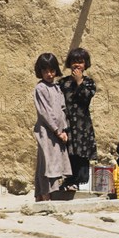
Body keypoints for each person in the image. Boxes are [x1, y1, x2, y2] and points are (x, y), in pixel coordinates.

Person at [32, 53, 72, 202]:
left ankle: (43, 196)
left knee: (53, 163)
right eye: (45, 71)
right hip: (47, 132)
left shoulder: (56, 87)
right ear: (40, 72)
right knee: (46, 164)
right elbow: (45, 113)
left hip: (58, 132)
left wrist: (64, 129)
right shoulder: (40, 88)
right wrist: (57, 130)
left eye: (52, 70)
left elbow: (62, 109)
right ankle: (44, 195)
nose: (49, 74)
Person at [58, 47, 97, 191]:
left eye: (80, 62)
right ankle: (68, 181)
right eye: (74, 61)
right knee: (68, 152)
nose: (77, 65)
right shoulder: (63, 83)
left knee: (81, 153)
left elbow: (86, 97)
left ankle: (79, 182)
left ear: (85, 64)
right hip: (67, 124)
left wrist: (79, 81)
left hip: (82, 126)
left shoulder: (88, 83)